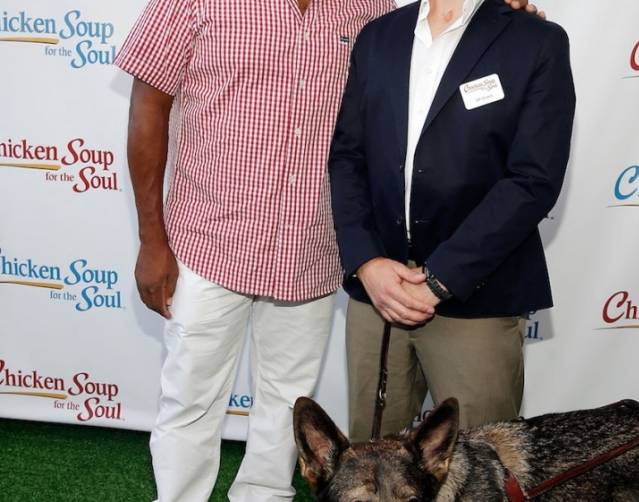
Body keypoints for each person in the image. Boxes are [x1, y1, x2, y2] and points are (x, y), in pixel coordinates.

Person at [115, 0, 542, 500]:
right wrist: (151, 240)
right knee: (190, 400)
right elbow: (148, 106)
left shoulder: (369, 9)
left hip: (312, 249)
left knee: (288, 403)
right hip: (209, 241)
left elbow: (438, 38)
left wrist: (498, 10)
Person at [329, 0, 576, 441]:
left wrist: (440, 279)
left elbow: (533, 180)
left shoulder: (536, 41)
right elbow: (348, 157)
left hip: (477, 299)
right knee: (371, 468)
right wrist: (366, 262)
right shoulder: (378, 36)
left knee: (482, 471)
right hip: (378, 296)